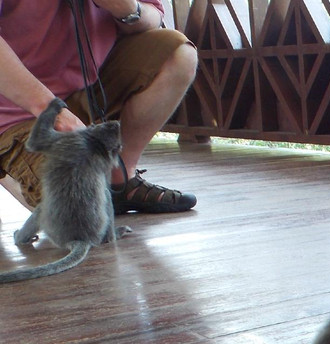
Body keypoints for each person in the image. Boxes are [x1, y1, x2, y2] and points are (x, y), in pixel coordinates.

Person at [0, 0, 198, 214]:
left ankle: (120, 178)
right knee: (75, 211)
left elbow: (154, 16)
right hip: (14, 109)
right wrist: (51, 110)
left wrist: (126, 8)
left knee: (178, 52)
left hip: (88, 89)